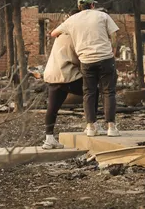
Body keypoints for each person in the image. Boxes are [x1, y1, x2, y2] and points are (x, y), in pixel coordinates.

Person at [51, 0, 120, 137]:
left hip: (86, 61)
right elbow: (114, 34)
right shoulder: (102, 16)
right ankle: (111, 127)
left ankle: (90, 127)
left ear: (79, 7)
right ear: (92, 5)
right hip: (106, 58)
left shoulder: (72, 20)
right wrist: (113, 50)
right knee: (109, 92)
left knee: (89, 93)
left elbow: (53, 33)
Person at [42, 9, 106, 149]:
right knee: (91, 91)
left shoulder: (61, 34)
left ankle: (49, 138)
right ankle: (92, 124)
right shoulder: (76, 34)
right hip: (67, 74)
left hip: (53, 75)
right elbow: (82, 57)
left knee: (53, 108)